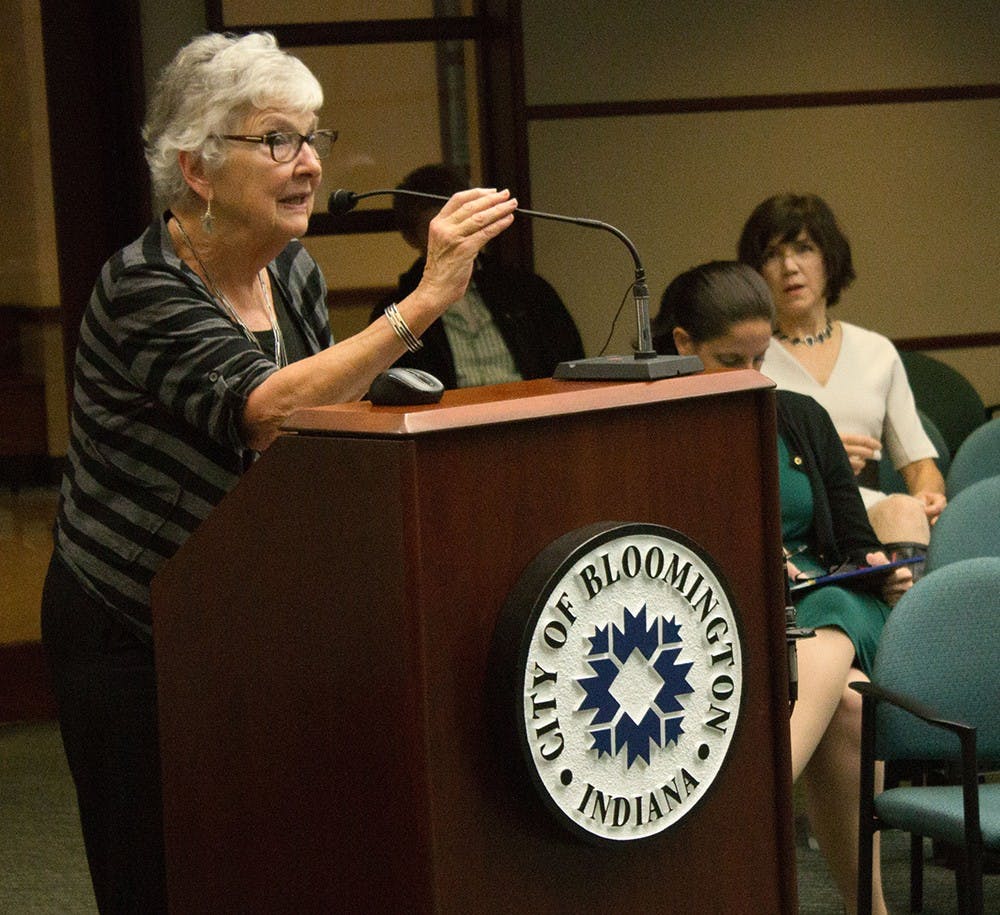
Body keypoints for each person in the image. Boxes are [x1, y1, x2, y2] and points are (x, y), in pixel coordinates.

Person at [39, 33, 517, 914]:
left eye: (313, 137)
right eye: (277, 140)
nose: (308, 163)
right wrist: (424, 303)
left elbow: (318, 426)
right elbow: (264, 410)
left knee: (261, 860)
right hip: (131, 624)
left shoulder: (291, 271)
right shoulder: (142, 285)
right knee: (158, 877)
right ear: (197, 168)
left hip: (243, 610)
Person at [652, 260, 912, 915]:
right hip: (737, 616)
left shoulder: (798, 416)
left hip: (834, 600)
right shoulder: (656, 430)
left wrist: (881, 567)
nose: (751, 377)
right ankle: (870, 909)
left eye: (760, 358)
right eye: (729, 359)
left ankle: (755, 799)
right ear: (682, 344)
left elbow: (853, 540)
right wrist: (756, 562)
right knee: (851, 706)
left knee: (833, 604)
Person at [737, 193, 946, 564]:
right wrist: (820, 464)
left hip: (869, 516)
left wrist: (927, 498)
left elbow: (919, 466)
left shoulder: (876, 351)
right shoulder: (750, 360)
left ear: (829, 260)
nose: (789, 267)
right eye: (772, 255)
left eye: (804, 249)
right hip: (792, 524)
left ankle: (905, 600)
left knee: (905, 511)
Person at [369, 163, 583, 388]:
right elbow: (390, 390)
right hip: (449, 411)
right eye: (436, 231)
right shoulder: (395, 311)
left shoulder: (528, 291)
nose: (453, 237)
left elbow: (572, 369)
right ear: (411, 237)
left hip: (529, 407)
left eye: (461, 224)